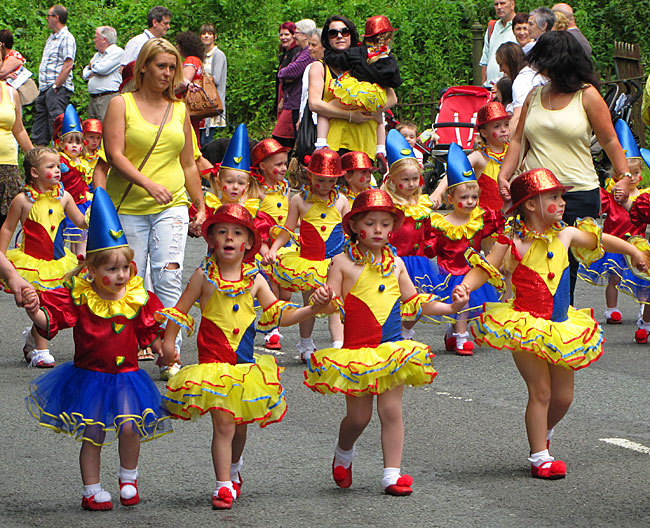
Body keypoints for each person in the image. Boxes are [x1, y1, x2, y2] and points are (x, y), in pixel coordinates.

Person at [461, 168, 649, 479]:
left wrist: (633, 251)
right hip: (525, 326)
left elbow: (600, 239)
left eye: (562, 196)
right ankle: (539, 456)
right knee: (542, 391)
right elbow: (485, 267)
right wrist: (466, 286)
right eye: (554, 197)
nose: (562, 202)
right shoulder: (513, 241)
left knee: (563, 397)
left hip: (561, 325)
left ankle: (542, 432)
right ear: (531, 204)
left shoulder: (565, 234)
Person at [158, 203, 332, 509]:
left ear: (249, 242)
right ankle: (222, 483)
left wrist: (314, 309)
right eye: (222, 231)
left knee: (239, 426)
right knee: (224, 425)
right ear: (211, 238)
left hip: (244, 365)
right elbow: (179, 310)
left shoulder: (255, 279)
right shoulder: (203, 276)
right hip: (213, 365)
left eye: (237, 232)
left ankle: (235, 468)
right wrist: (170, 343)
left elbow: (281, 314)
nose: (229, 237)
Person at [304, 188, 469, 496]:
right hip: (356, 353)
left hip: (392, 349)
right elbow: (330, 305)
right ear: (354, 226)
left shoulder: (396, 264)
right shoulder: (341, 263)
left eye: (385, 223)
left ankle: (391, 474)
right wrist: (322, 298)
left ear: (393, 228)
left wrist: (451, 308)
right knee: (359, 417)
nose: (378, 230)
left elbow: (414, 301)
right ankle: (344, 450)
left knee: (391, 412)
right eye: (370, 222)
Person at [22, 187, 171, 511]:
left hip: (128, 375)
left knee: (130, 426)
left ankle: (128, 479)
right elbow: (50, 321)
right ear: (91, 270)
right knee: (93, 432)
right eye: (111, 269)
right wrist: (34, 308)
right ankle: (91, 490)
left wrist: (162, 349)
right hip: (90, 376)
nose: (120, 276)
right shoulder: (81, 296)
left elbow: (147, 331)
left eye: (124, 269)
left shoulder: (136, 297)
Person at [499, 31, 632, 304]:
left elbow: (609, 139)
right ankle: (539, 319)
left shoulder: (588, 95)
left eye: (545, 62)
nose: (541, 69)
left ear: (561, 62)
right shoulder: (535, 96)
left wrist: (625, 175)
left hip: (577, 191)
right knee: (534, 259)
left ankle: (560, 322)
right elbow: (516, 140)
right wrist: (504, 174)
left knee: (564, 265)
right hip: (536, 192)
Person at [103, 38, 206, 379]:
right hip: (131, 204)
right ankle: (132, 345)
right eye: (161, 66)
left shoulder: (179, 109)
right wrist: (148, 184)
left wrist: (200, 203)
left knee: (168, 273)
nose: (167, 73)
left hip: (172, 203)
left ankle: (170, 350)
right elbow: (115, 155)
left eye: (172, 68)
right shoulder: (122, 104)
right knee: (132, 277)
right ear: (144, 66)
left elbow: (189, 162)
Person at [0, 146, 87, 368]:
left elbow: (80, 221)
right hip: (31, 263)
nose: (58, 170)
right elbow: (8, 229)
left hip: (58, 262)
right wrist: (2, 255)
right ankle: (41, 349)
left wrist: (95, 214)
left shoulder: (64, 197)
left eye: (58, 166)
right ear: (34, 173)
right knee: (40, 301)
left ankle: (32, 339)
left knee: (62, 303)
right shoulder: (22, 200)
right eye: (51, 166)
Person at [263, 148, 349, 361]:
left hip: (335, 263)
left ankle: (338, 345)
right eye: (321, 180)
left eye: (332, 181)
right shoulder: (298, 200)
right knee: (310, 304)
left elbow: (350, 231)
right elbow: (288, 229)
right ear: (309, 175)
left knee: (336, 302)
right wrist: (273, 249)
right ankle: (305, 344)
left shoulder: (341, 201)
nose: (326, 186)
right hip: (309, 263)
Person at [579, 121, 650, 333]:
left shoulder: (643, 197)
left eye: (637, 174)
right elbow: (597, 204)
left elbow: (637, 212)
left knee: (642, 279)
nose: (634, 178)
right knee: (614, 278)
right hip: (614, 244)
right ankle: (612, 309)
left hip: (638, 245)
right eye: (629, 174)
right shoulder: (612, 196)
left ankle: (643, 314)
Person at [316, 16, 402, 156]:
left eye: (344, 32)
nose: (339, 36)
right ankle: (381, 149)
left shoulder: (357, 53)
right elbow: (395, 81)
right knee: (380, 117)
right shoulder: (388, 58)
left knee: (326, 109)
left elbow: (340, 61)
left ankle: (320, 142)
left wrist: (328, 56)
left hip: (357, 94)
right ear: (388, 39)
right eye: (333, 33)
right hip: (374, 95)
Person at [431, 102, 510, 213]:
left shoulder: (513, 153)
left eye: (506, 124)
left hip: (511, 216)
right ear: (484, 133)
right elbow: (455, 170)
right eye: (497, 126)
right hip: (486, 219)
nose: (503, 129)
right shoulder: (479, 157)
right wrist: (438, 192)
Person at [32, 5, 76, 146]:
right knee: (40, 125)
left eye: (49, 15)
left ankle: (60, 158)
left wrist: (56, 86)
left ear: (56, 18)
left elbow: (68, 64)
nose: (46, 18)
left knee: (56, 124)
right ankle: (39, 156)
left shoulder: (67, 38)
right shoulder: (52, 38)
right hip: (45, 88)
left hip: (57, 90)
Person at [273, 19, 315, 148]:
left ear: (305, 35)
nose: (294, 36)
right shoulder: (301, 52)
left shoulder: (307, 53)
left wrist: (282, 73)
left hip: (297, 102)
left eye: (296, 33)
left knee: (283, 138)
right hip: (292, 100)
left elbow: (289, 72)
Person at [57, 105, 92, 256]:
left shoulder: (83, 162)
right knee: (67, 235)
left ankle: (81, 260)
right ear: (61, 144)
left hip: (82, 202)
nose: (74, 146)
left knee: (83, 235)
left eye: (77, 143)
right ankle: (67, 259)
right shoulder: (60, 160)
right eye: (70, 142)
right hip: (65, 203)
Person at [0, 68, 33, 227]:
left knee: (6, 221)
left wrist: (36, 158)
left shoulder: (11, 93)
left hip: (8, 166)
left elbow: (19, 129)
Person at [496, 41, 544, 131]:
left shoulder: (521, 81)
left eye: (501, 64)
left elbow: (518, 117)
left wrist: (508, 140)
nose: (501, 69)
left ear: (510, 62)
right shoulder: (532, 74)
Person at [119, 6, 171, 90]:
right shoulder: (137, 42)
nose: (168, 27)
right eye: (165, 23)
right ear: (154, 22)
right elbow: (124, 69)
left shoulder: (164, 44)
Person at [82, 26, 123, 121]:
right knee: (92, 131)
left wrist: (92, 67)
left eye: (96, 37)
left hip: (107, 97)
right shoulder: (97, 55)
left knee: (106, 129)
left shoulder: (117, 52)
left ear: (104, 39)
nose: (94, 40)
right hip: (93, 98)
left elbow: (102, 69)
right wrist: (92, 68)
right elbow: (85, 74)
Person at [199, 23, 227, 143]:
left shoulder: (218, 55)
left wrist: (199, 80)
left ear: (214, 37)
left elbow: (216, 79)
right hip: (201, 102)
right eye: (204, 34)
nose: (206, 36)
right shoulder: (201, 54)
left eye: (209, 34)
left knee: (206, 140)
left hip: (212, 102)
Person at [175, 31, 205, 140]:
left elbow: (184, 83)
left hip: (187, 105)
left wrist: (169, 92)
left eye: (179, 44)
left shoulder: (191, 60)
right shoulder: (198, 60)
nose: (176, 47)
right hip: (194, 105)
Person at [480, 0, 517, 88]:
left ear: (512, 4)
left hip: (509, 88)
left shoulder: (520, 28)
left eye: (502, 3)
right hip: (490, 87)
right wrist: (483, 86)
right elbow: (485, 62)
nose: (499, 7)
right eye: (496, 4)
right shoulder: (492, 27)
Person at [275, 22, 299, 115]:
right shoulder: (285, 53)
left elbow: (292, 79)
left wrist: (282, 100)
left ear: (294, 35)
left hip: (289, 97)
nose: (283, 37)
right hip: (282, 94)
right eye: (281, 35)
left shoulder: (296, 52)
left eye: (286, 34)